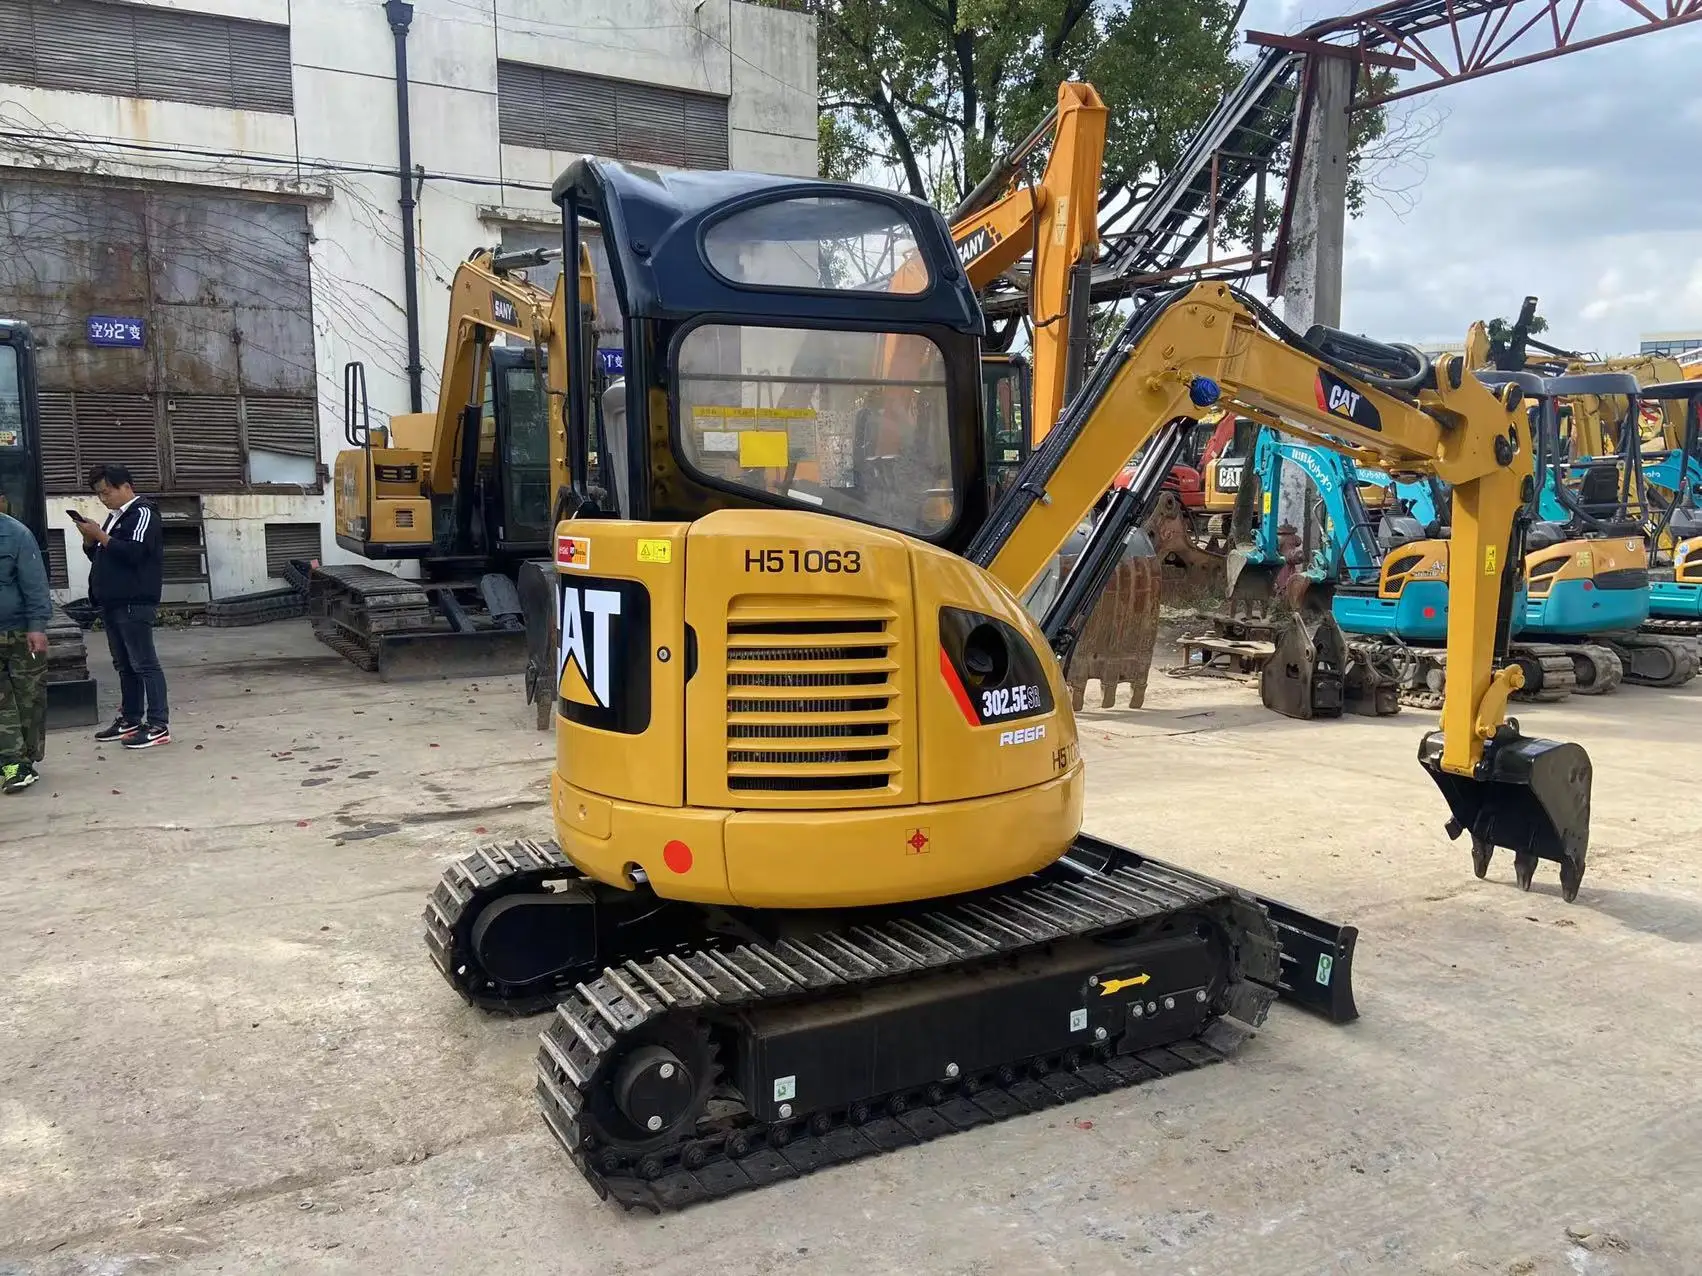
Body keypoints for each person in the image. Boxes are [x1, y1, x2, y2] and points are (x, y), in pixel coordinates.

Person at [77, 464, 169, 749]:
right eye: (99, 494)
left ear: (126, 487)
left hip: (134, 600)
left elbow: (134, 553)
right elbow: (103, 556)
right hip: (111, 601)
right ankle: (130, 718)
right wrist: (90, 539)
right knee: (124, 665)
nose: (103, 499)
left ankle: (158, 724)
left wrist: (101, 535)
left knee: (144, 663)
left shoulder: (143, 513)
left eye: (107, 492)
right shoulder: (114, 517)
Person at [0, 504, 50, 793]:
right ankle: (13, 763)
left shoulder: (16, 534)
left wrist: (37, 627)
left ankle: (26, 759)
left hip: (19, 632)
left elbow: (35, 583)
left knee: (28, 697)